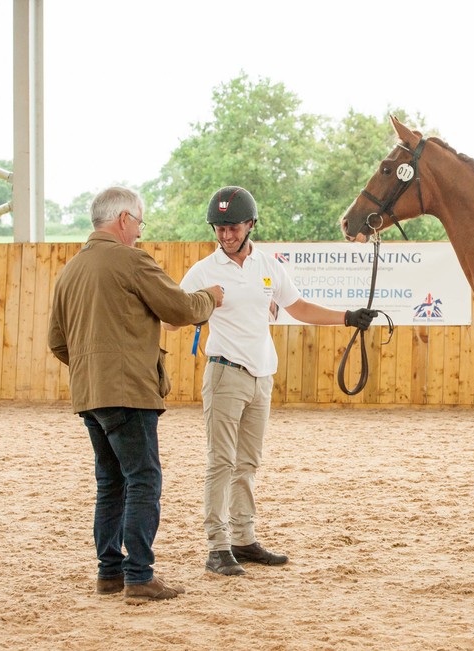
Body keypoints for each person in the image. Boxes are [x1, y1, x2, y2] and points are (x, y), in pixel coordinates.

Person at [168, 186, 376, 576]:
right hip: (224, 373)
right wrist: (202, 303)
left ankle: (243, 539)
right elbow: (171, 318)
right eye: (219, 229)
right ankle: (217, 547)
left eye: (233, 228)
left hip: (261, 375)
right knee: (221, 462)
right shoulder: (203, 271)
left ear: (250, 225)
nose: (226, 235)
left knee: (247, 462)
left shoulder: (268, 266)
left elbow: (299, 307)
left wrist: (347, 317)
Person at [48, 186, 224, 603]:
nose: (140, 232)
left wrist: (92, 368)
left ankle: (109, 572)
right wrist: (210, 298)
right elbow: (179, 308)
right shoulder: (131, 260)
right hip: (128, 392)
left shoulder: (70, 270)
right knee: (144, 479)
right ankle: (140, 575)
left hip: (89, 394)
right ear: (124, 219)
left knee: (110, 483)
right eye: (139, 223)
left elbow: (57, 341)